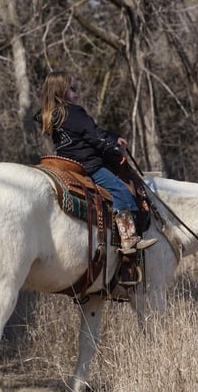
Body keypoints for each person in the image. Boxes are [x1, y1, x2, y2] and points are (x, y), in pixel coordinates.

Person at [39, 70, 157, 255]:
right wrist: (115, 149)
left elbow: (88, 133)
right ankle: (128, 239)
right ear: (60, 91)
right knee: (121, 191)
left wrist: (113, 137)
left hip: (66, 163)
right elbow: (94, 137)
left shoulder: (51, 115)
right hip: (88, 165)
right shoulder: (74, 112)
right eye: (72, 89)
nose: (77, 93)